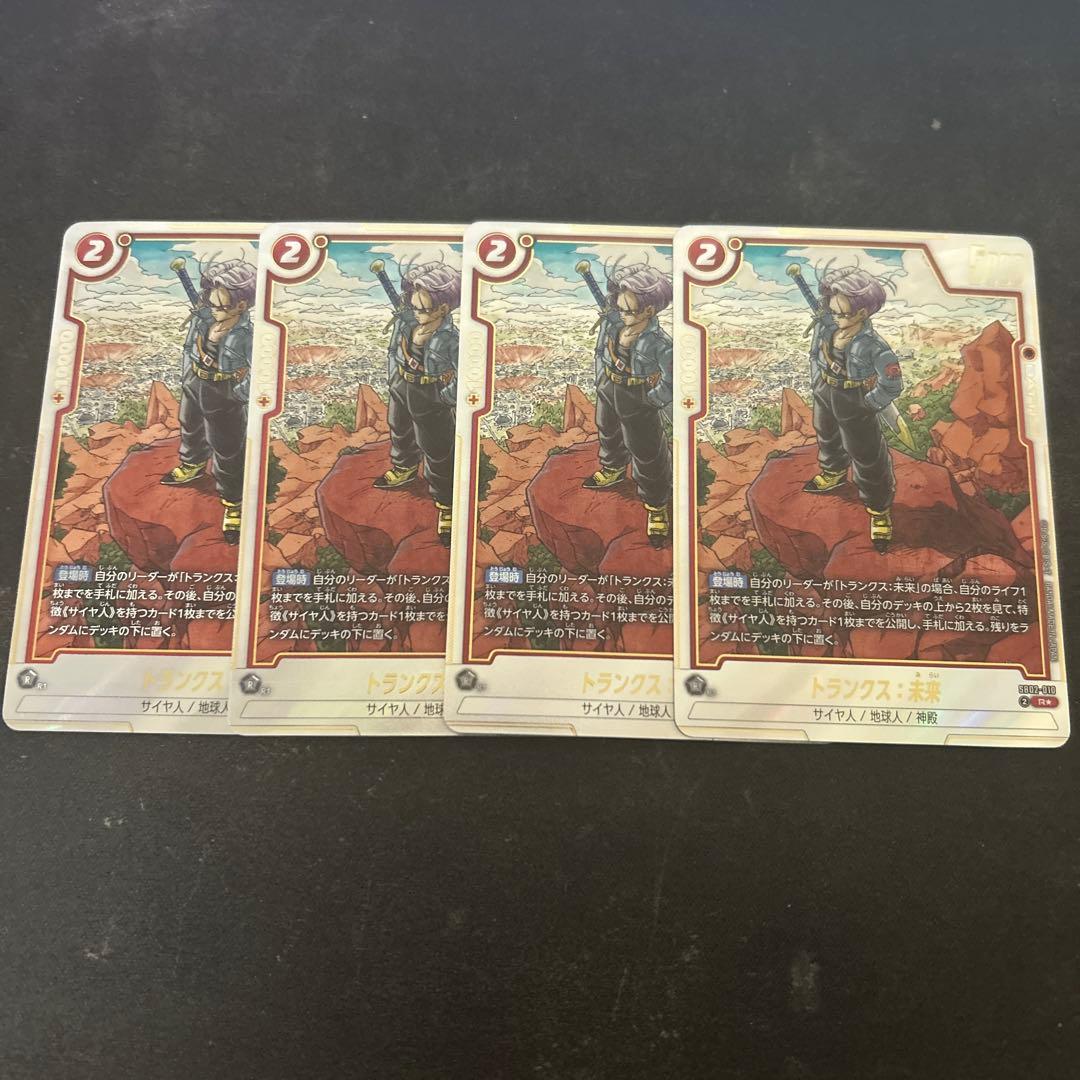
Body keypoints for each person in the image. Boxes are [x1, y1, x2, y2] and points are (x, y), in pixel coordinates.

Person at [803, 264, 904, 549]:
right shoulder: (827, 326)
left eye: (843, 313)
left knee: (867, 453)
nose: (836, 317)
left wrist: (868, 404)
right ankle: (833, 472)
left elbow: (892, 383)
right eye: (833, 311)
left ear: (863, 312)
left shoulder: (875, 346)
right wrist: (818, 385)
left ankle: (879, 510)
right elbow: (815, 354)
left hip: (854, 398)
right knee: (826, 433)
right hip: (826, 391)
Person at [161, 257, 256, 543]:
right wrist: (188, 378)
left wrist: (239, 394)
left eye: (220, 306)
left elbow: (257, 370)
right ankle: (192, 463)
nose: (213, 310)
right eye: (211, 303)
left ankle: (233, 503)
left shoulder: (247, 335)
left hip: (225, 391)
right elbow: (189, 347)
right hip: (196, 381)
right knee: (190, 424)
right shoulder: (205, 318)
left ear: (242, 305)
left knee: (227, 447)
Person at [583, 262, 673, 541]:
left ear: (649, 310)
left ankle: (656, 505)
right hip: (610, 387)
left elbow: (672, 379)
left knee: (647, 450)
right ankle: (613, 468)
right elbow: (601, 351)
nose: (622, 314)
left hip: (638, 396)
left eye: (629, 310)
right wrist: (602, 382)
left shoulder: (660, 343)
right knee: (608, 430)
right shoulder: (614, 324)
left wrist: (653, 399)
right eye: (620, 308)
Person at [373, 260, 460, 543]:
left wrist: (445, 397)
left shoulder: (450, 339)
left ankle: (446, 504)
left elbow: (463, 374)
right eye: (414, 307)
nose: (417, 313)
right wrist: (394, 382)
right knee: (399, 428)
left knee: (437, 448)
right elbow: (393, 351)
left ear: (443, 309)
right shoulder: (407, 322)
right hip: (403, 385)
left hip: (430, 394)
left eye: (423, 309)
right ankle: (405, 467)